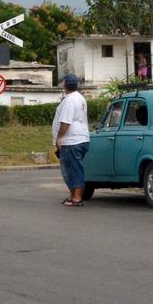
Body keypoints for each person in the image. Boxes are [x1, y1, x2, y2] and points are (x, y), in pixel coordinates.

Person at [53, 74, 90, 206]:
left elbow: (65, 122)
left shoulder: (69, 100)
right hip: (81, 138)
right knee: (72, 168)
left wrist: (59, 137)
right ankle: (73, 196)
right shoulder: (80, 98)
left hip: (72, 140)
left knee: (72, 169)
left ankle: (77, 198)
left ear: (64, 85)